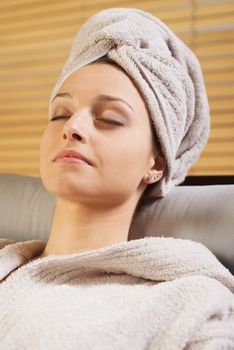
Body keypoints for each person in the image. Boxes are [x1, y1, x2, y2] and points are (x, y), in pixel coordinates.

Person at [0, 7, 233, 350]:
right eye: (60, 113)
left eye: (110, 118)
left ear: (156, 162)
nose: (72, 127)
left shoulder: (190, 305)